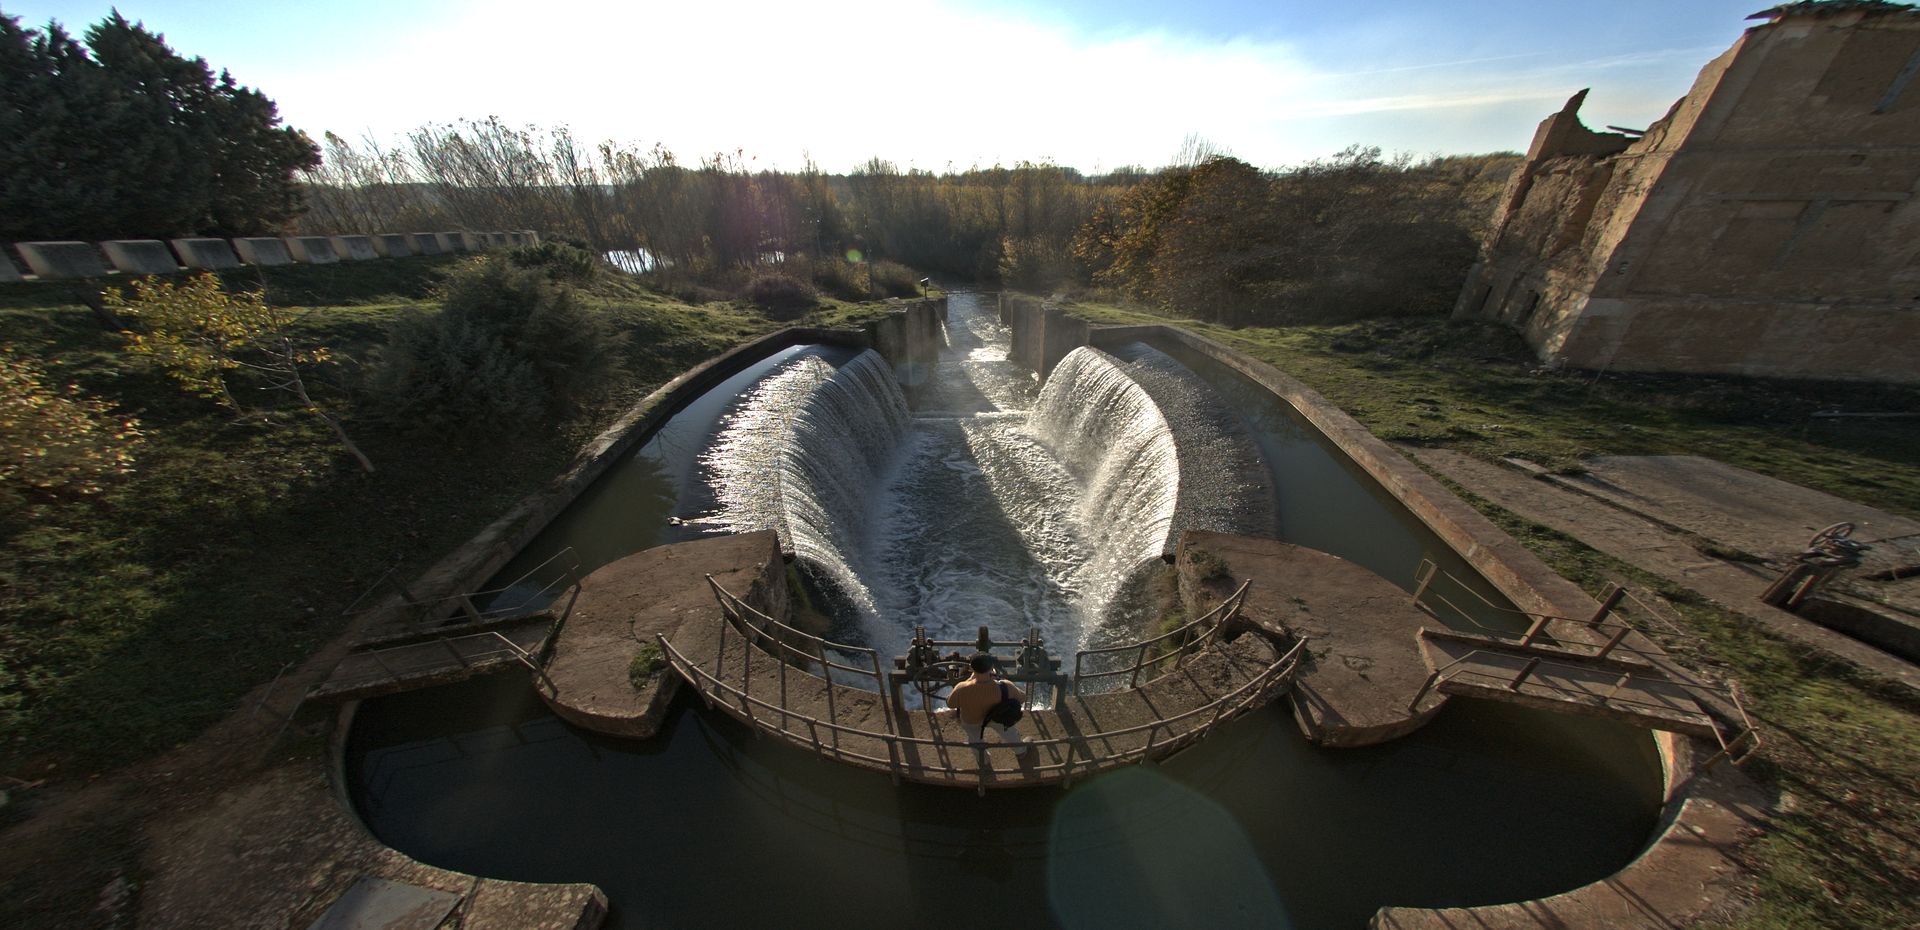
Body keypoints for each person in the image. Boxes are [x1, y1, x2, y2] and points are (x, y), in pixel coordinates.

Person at [945, 653, 1029, 757]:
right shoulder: (1005, 686)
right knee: (1010, 733)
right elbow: (1023, 698)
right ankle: (1020, 751)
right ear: (991, 667)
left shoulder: (961, 688)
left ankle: (983, 760)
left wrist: (969, 681)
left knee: (974, 740)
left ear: (971, 668)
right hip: (998, 718)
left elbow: (950, 703)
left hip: (971, 720)